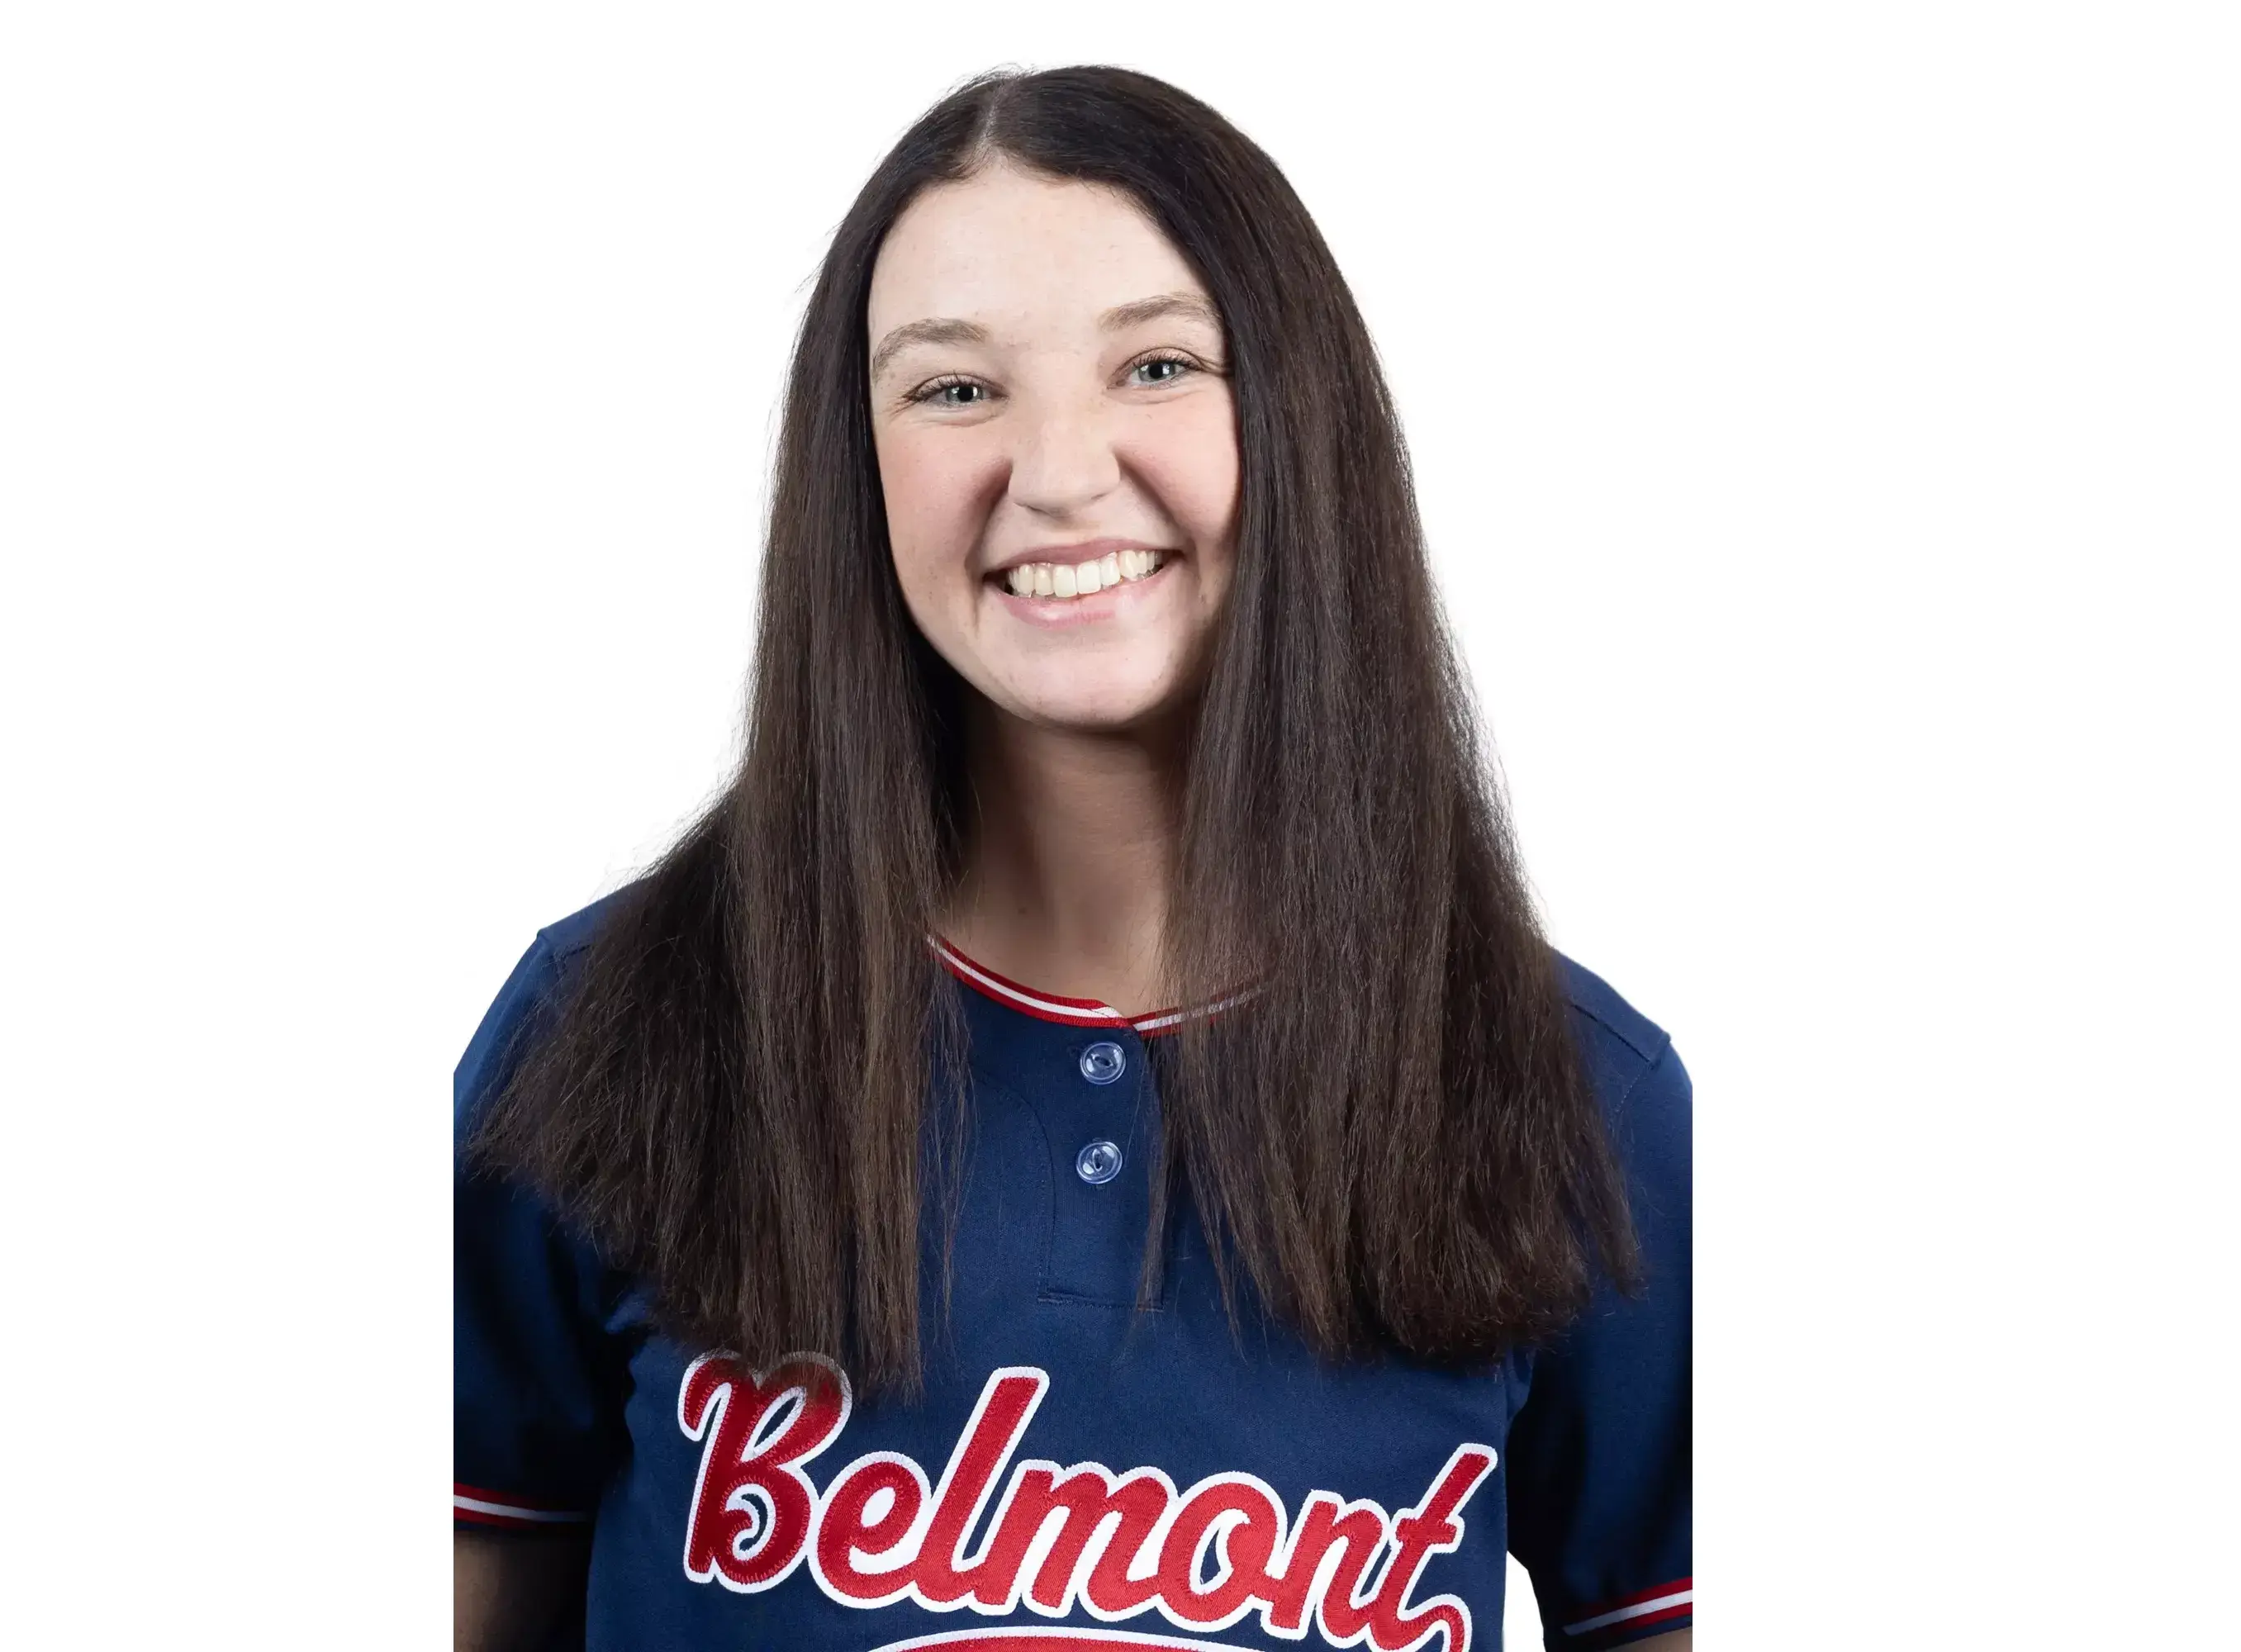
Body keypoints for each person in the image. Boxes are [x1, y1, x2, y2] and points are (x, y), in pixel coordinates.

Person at [453, 65, 1691, 1651]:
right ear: (854, 465)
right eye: (953, 388)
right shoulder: (606, 1034)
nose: (1055, 471)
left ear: (1300, 420)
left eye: (1156, 365)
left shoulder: (1578, 1097)